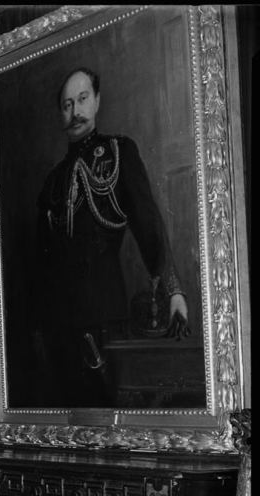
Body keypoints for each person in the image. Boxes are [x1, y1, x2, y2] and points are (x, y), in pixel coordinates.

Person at [33, 66, 190, 406]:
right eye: (67, 104)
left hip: (106, 316)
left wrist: (173, 288)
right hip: (60, 325)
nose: (75, 112)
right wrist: (40, 329)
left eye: (83, 99)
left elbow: (148, 224)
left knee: (110, 410)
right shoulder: (52, 182)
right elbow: (41, 264)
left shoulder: (119, 152)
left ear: (98, 101)